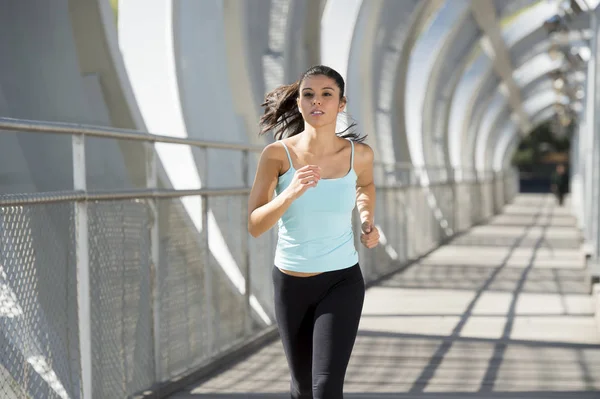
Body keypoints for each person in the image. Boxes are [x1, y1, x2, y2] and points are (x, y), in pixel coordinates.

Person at [247, 65, 379, 398]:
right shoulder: (277, 155)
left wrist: (367, 219)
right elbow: (255, 225)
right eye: (308, 94)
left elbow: (365, 185)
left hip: (341, 281)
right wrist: (290, 192)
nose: (316, 101)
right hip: (291, 283)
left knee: (326, 387)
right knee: (303, 388)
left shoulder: (358, 155)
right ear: (300, 102)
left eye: (326, 94)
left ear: (341, 103)